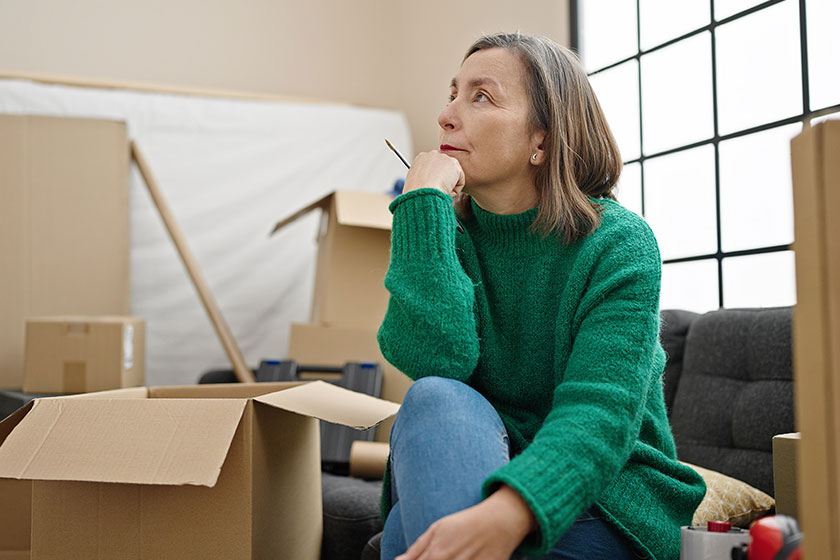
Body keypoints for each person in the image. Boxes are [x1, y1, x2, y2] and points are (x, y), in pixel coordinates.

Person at [376, 32, 706, 560]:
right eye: (453, 93)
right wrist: (421, 206)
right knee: (435, 396)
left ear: (543, 141)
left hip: (606, 498)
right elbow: (435, 361)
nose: (446, 115)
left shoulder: (618, 243)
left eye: (481, 96)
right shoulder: (444, 234)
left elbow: (598, 414)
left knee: (402, 538)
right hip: (479, 468)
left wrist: (507, 514)